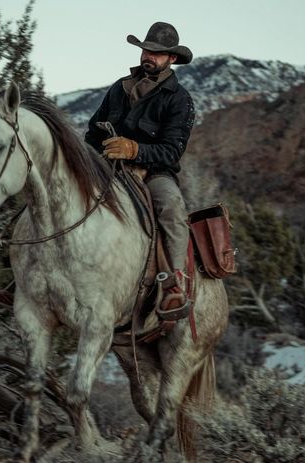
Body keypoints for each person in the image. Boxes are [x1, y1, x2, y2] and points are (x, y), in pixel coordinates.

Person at [85, 22, 195, 318]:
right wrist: (98, 153)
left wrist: (135, 150)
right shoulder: (119, 88)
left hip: (155, 173)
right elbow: (92, 133)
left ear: (172, 58)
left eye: (157, 53)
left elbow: (172, 150)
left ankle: (175, 284)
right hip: (108, 168)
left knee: (171, 208)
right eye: (147, 49)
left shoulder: (179, 99)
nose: (149, 55)